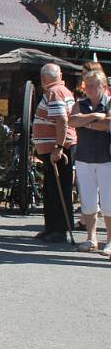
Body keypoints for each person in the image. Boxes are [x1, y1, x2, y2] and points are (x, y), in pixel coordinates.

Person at [32, 63, 77, 243]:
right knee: (51, 190)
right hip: (55, 147)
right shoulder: (61, 90)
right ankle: (51, 228)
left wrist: (58, 147)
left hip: (59, 148)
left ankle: (59, 230)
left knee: (58, 189)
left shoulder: (55, 92)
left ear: (43, 78)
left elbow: (62, 120)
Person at [68, 70, 111, 254]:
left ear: (103, 87)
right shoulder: (80, 103)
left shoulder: (109, 103)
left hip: (106, 158)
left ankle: (109, 240)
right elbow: (72, 120)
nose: (89, 89)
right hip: (84, 157)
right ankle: (91, 238)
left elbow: (109, 124)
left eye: (93, 85)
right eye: (87, 86)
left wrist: (86, 123)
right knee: (88, 200)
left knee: (109, 201)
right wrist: (96, 118)